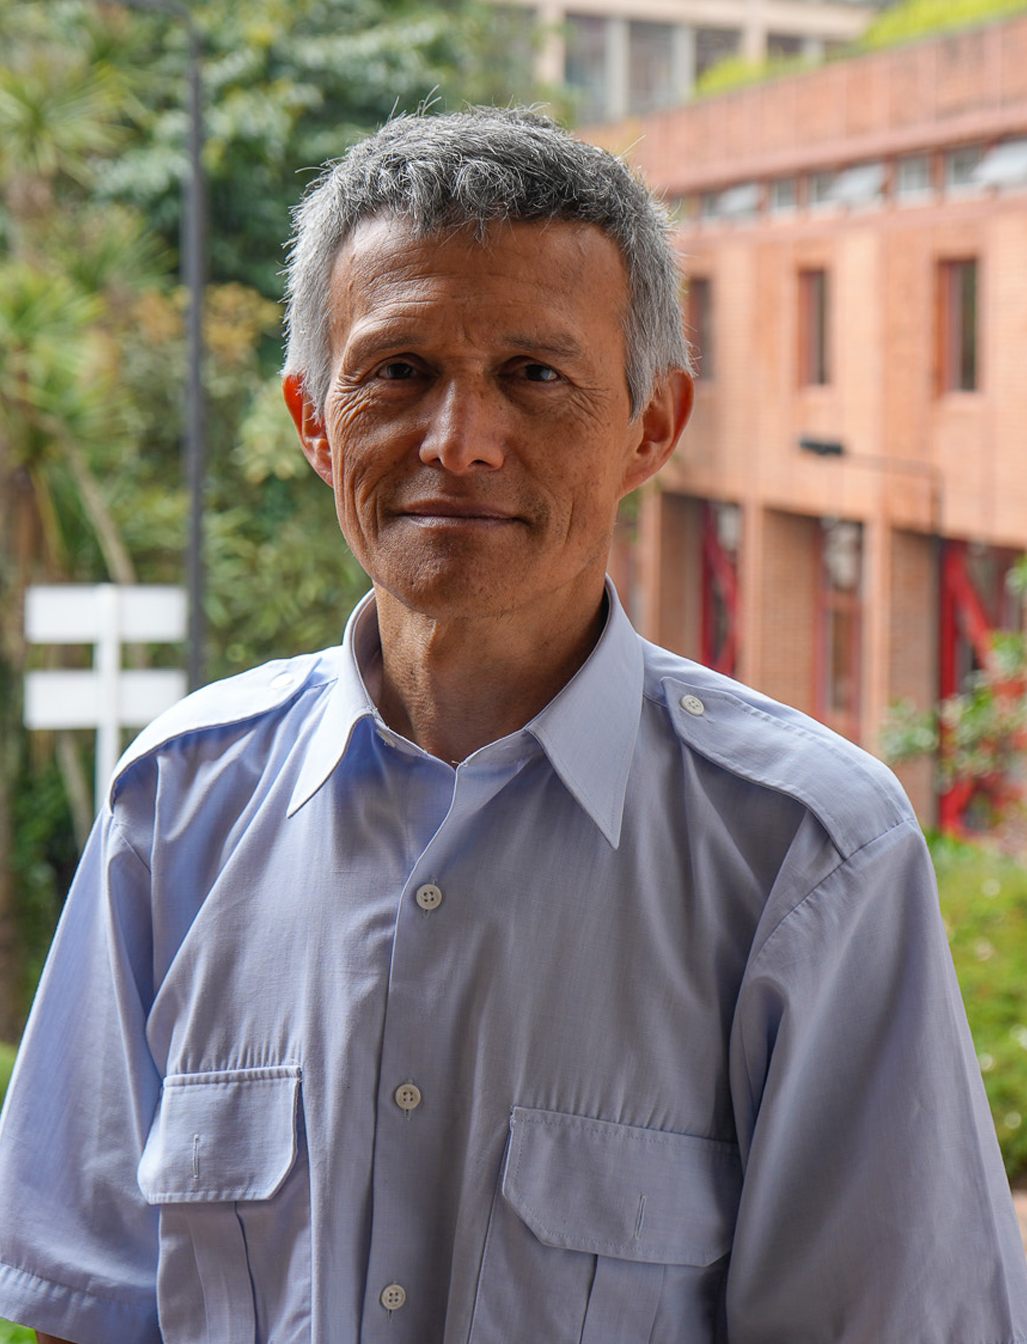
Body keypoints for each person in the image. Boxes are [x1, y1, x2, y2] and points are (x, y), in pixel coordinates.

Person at [0, 106, 1024, 1344]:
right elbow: (86, 1307)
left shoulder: (804, 857)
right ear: (313, 419)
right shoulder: (174, 810)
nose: (460, 442)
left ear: (652, 424)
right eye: (398, 370)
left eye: (535, 376)